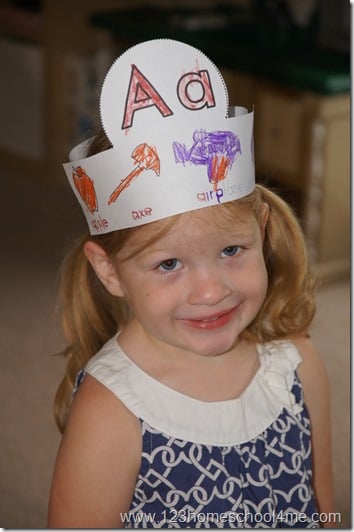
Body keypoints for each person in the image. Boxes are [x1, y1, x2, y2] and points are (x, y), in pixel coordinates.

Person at [48, 39, 334, 528]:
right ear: (109, 271)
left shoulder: (294, 364)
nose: (210, 291)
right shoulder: (112, 412)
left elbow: (322, 507)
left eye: (230, 251)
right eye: (168, 264)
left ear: (261, 230)